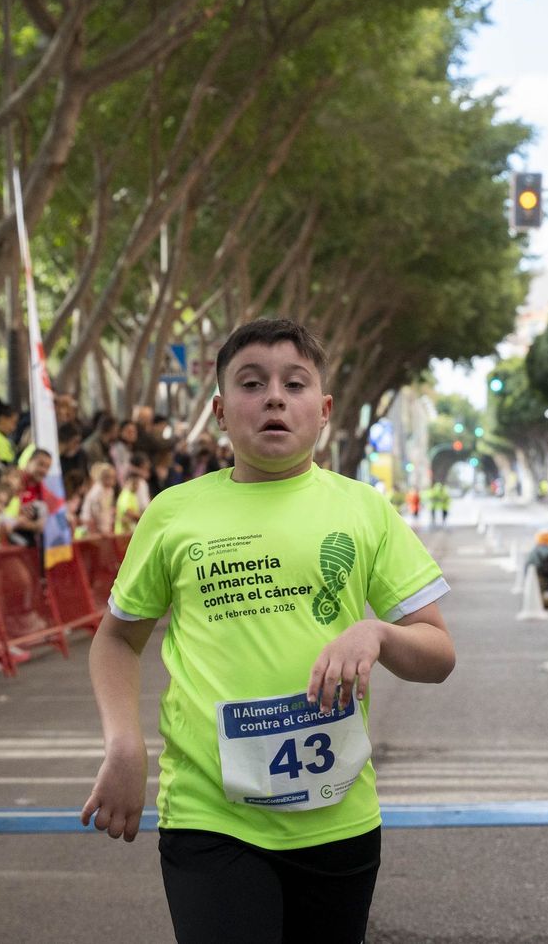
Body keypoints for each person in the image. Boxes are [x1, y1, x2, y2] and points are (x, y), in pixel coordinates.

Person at [82, 318, 455, 944]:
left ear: (324, 409)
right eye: (253, 384)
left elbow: (438, 653)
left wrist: (379, 636)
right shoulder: (175, 513)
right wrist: (124, 744)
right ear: (221, 412)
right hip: (210, 817)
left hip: (339, 819)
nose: (275, 397)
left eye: (295, 383)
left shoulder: (362, 509)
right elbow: (117, 638)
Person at [80, 462, 119, 537]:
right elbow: (94, 513)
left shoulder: (110, 490)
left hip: (104, 528)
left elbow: (106, 509)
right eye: (108, 477)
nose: (112, 480)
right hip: (93, 529)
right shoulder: (97, 491)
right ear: (102, 477)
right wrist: (100, 531)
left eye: (113, 477)